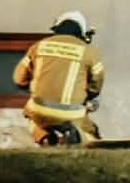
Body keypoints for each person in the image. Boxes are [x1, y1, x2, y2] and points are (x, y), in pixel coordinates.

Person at [15, 10, 105, 145]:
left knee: (30, 113)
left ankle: (44, 137)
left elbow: (19, 78)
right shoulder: (89, 52)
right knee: (91, 132)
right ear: (81, 32)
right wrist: (88, 96)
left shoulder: (38, 46)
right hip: (72, 114)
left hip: (40, 109)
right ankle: (77, 136)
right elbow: (96, 85)